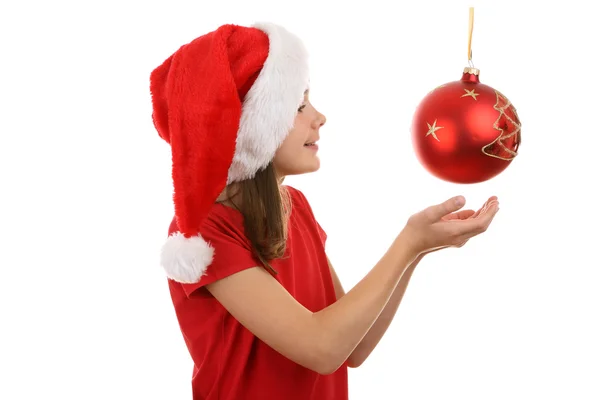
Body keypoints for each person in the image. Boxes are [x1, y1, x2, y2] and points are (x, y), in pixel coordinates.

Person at [150, 22, 500, 400]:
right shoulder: (206, 231)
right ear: (247, 127)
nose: (319, 117)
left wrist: (417, 249)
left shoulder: (295, 207)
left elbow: (353, 347)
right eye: (299, 105)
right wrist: (408, 243)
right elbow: (321, 348)